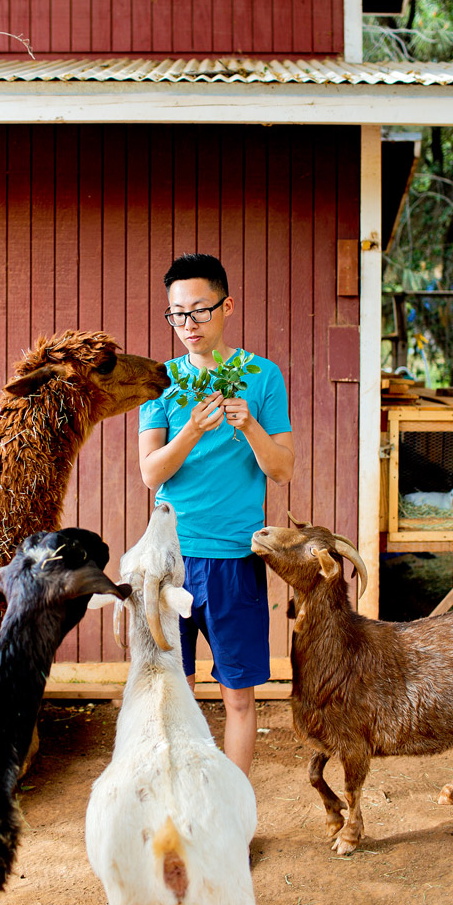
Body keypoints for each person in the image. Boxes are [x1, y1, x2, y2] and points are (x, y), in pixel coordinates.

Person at [138, 253, 294, 777]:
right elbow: (150, 472)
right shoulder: (162, 382)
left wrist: (249, 426)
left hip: (234, 559)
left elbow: (283, 469)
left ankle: (233, 812)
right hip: (170, 564)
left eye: (199, 312)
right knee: (169, 698)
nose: (187, 326)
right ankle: (177, 807)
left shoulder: (262, 377)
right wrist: (192, 431)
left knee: (239, 698)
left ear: (227, 306)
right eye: (176, 314)